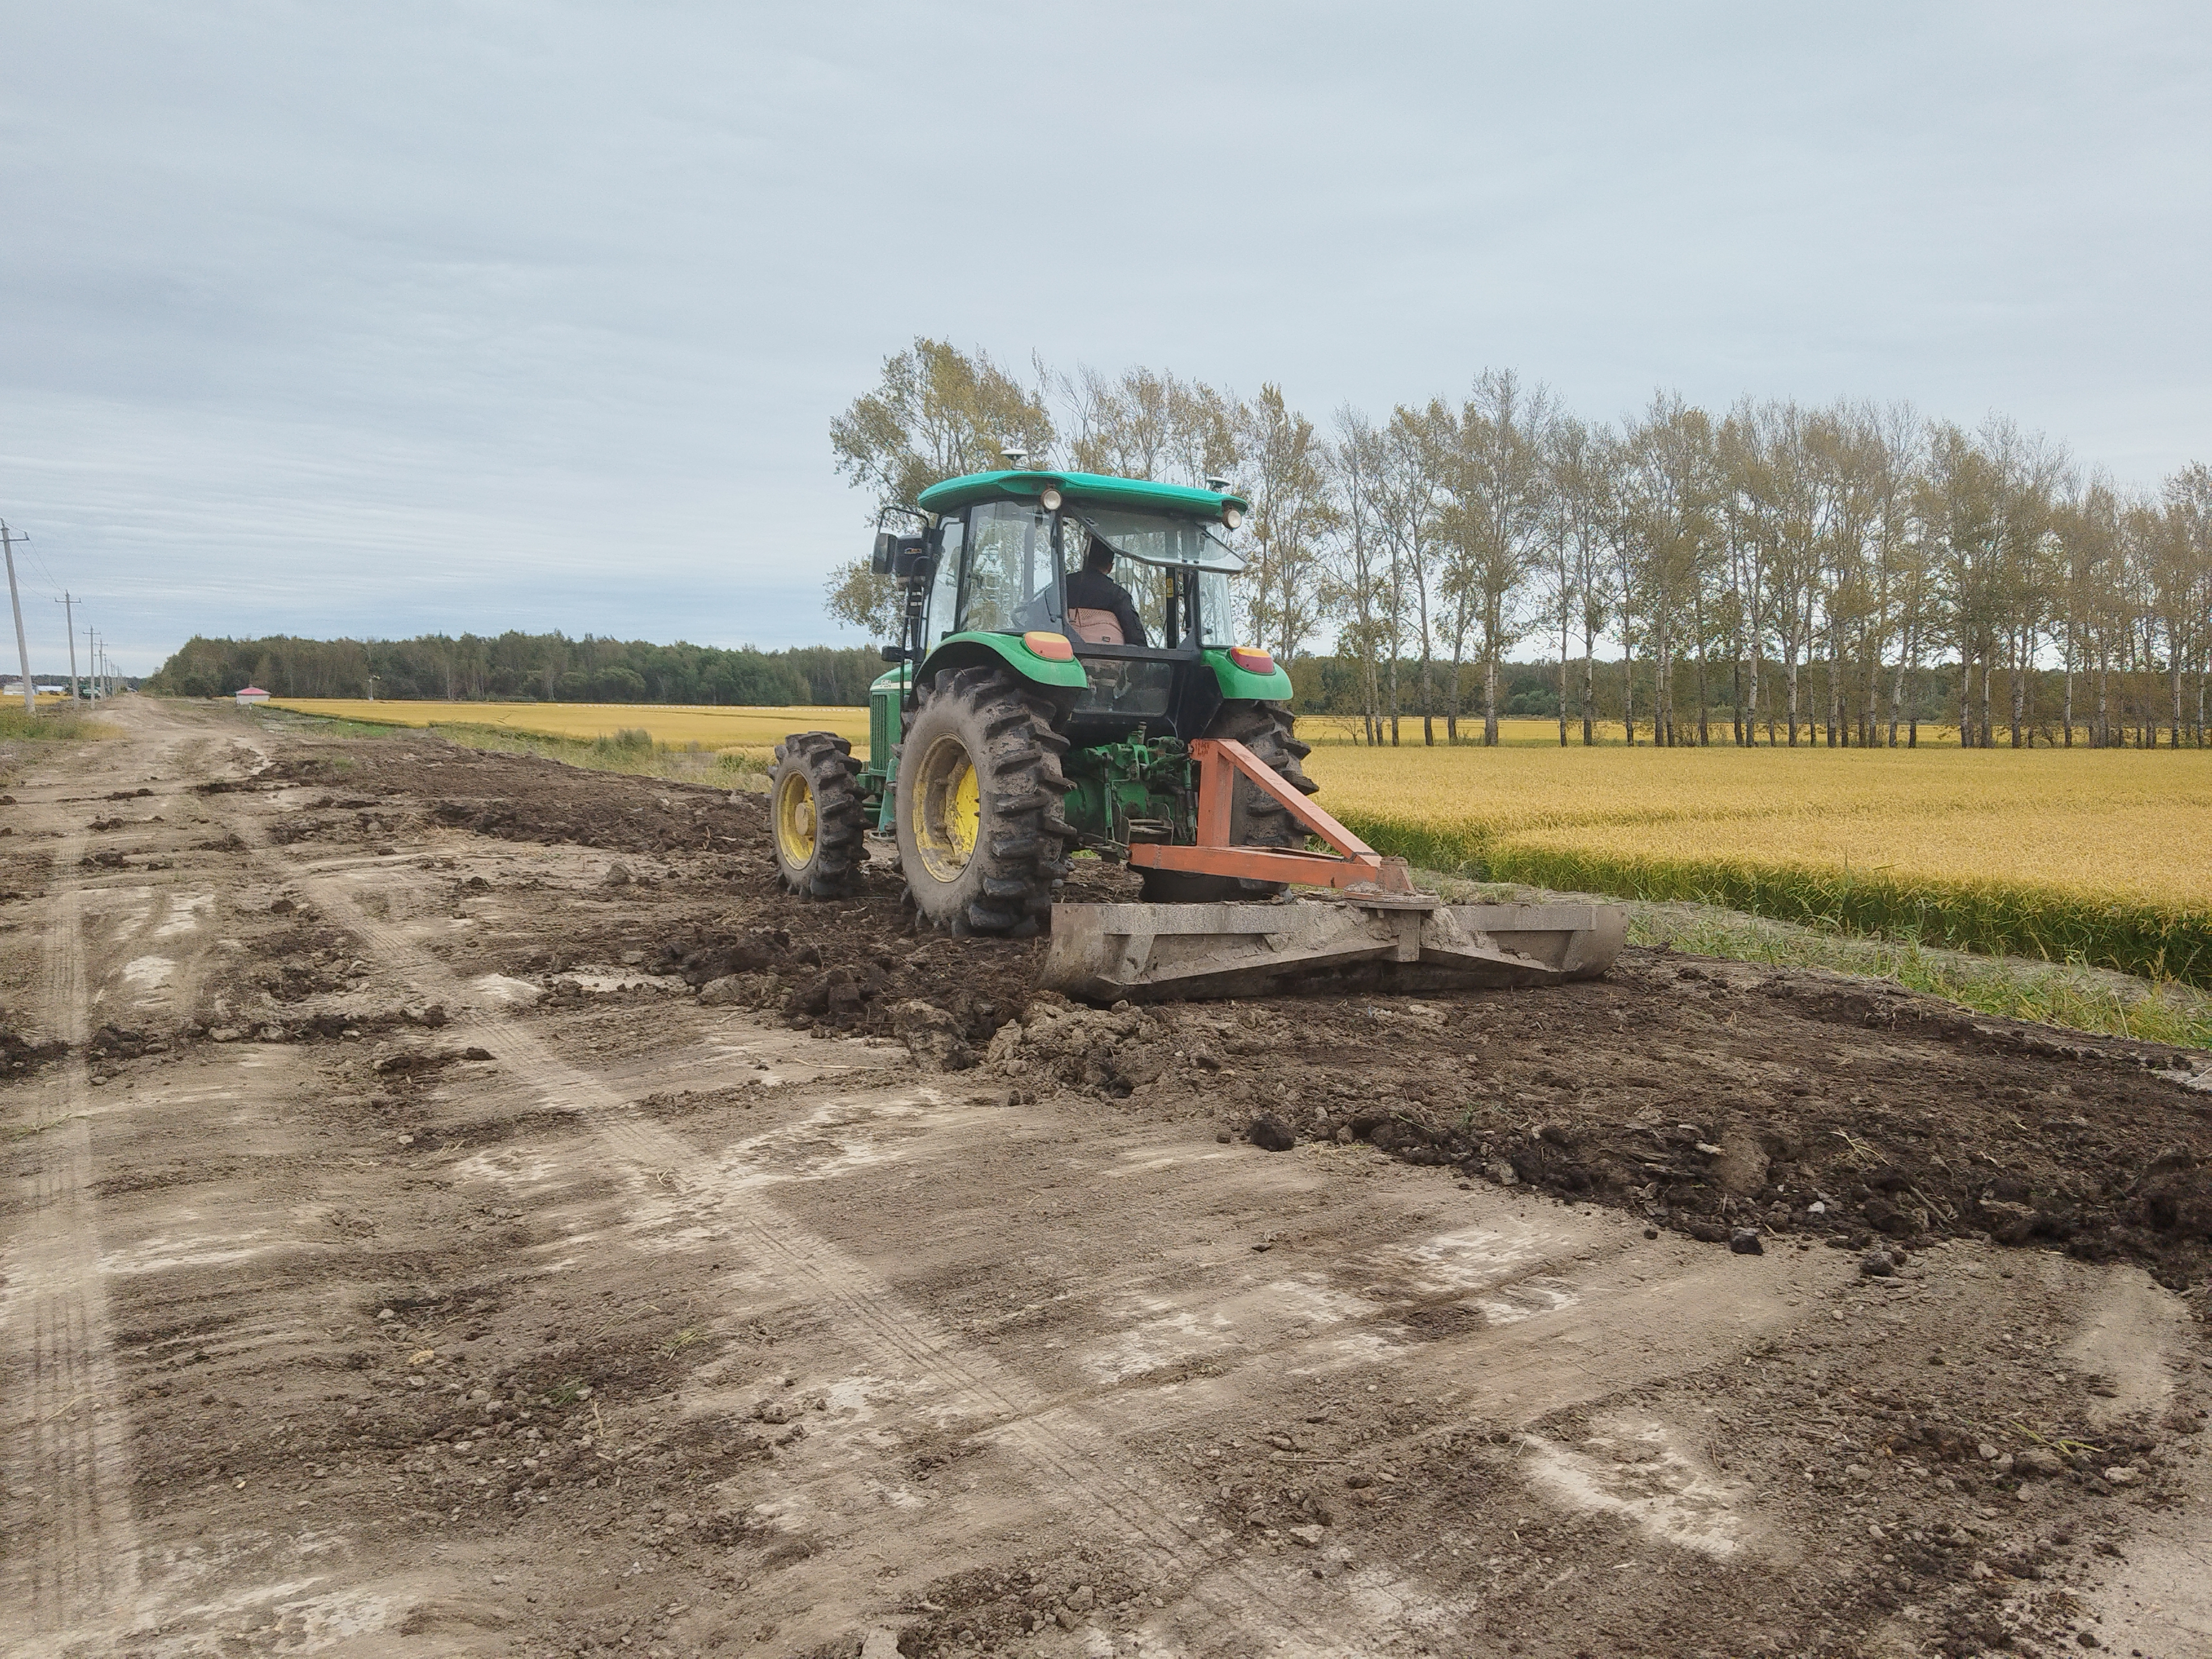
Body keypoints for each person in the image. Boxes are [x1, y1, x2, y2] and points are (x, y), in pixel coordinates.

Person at [1062, 534, 1148, 647]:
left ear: (1086, 560)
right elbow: (1136, 639)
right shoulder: (1118, 595)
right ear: (1110, 567)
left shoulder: (1062, 585)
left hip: (1062, 654)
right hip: (1106, 657)